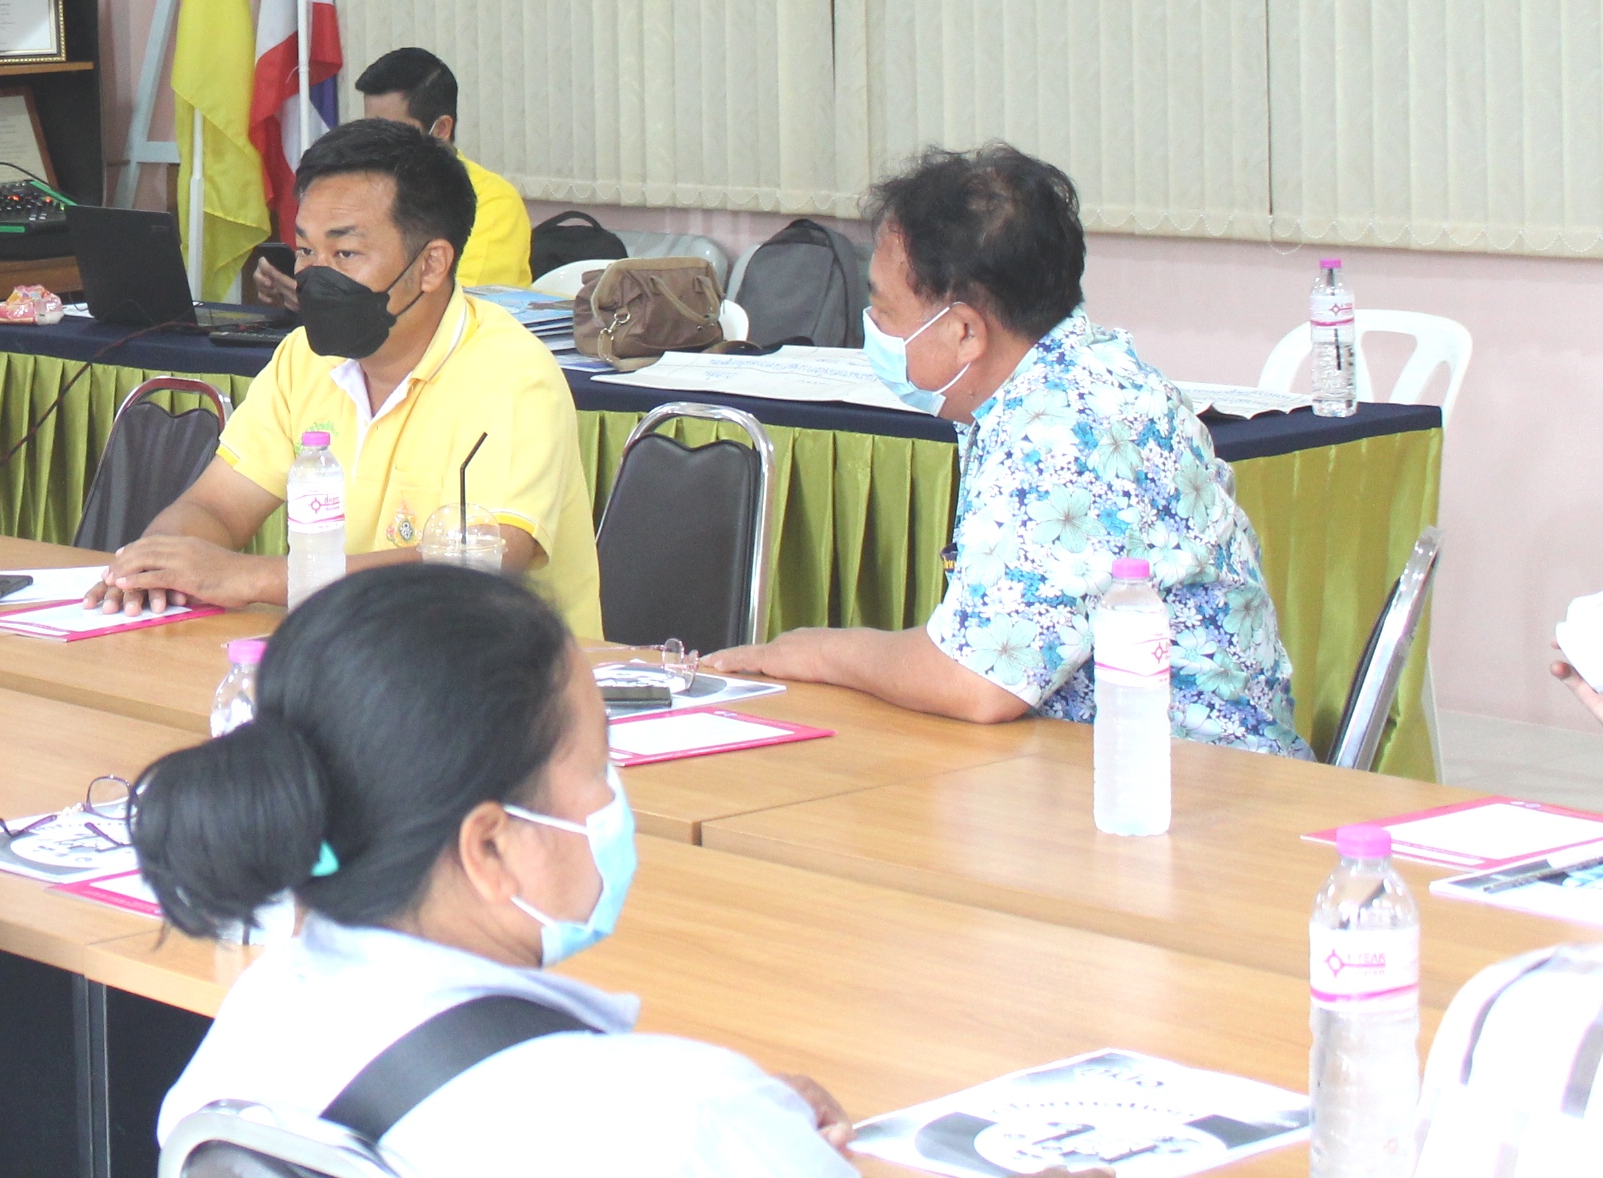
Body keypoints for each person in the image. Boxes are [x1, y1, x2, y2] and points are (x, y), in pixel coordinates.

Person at [137, 566, 853, 1176]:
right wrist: (758, 1137)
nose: (613, 797)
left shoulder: (254, 1027)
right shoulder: (686, 1119)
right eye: (599, 764)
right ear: (489, 848)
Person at [708, 146, 1308, 753]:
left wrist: (812, 651)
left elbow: (979, 682)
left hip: (1190, 785)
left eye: (884, 310)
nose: (873, 326)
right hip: (1092, 763)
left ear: (965, 331)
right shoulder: (1067, 374)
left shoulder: (1067, 430)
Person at [95, 120, 599, 628]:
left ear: (431, 265)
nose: (316, 275)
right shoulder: (304, 357)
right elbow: (217, 506)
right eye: (307, 251)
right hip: (348, 658)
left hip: (501, 678)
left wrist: (251, 578)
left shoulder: (511, 376)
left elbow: (479, 567)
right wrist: (158, 566)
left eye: (346, 253)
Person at [253, 47, 530, 303]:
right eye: (371, 127)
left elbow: (454, 306)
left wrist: (328, 307)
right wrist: (294, 279)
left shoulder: (493, 202)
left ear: (441, 129)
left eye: (393, 130)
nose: (378, 142)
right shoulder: (364, 192)